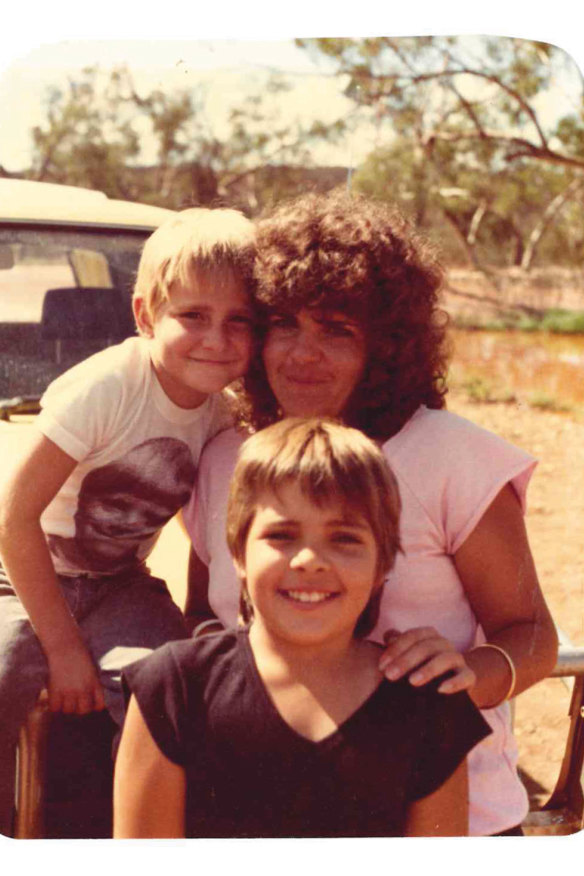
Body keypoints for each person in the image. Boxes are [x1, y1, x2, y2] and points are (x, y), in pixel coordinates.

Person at [182, 190, 558, 837]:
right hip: (267, 814)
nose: (303, 353)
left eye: (337, 330)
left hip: (454, 817)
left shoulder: (450, 456)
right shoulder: (225, 458)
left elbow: (533, 636)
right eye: (285, 324)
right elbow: (203, 621)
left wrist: (469, 676)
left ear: (386, 346)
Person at [0, 206, 256, 836]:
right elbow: (13, 517)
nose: (216, 340)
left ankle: (135, 833)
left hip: (119, 583)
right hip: (15, 577)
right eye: (192, 316)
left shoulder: (222, 415)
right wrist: (62, 648)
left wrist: (201, 615)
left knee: (170, 683)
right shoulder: (108, 387)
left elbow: (215, 529)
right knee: (5, 671)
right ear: (145, 316)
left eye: (239, 322)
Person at [115, 418, 491, 838]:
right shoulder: (174, 688)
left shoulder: (426, 704)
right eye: (282, 535)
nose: (309, 560)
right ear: (237, 553)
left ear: (383, 564)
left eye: (345, 538)